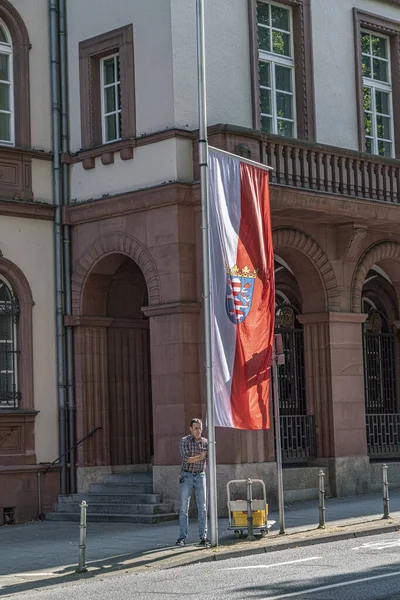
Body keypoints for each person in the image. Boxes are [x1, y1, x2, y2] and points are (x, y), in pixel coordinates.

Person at [176, 418, 210, 548]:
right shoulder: (185, 441)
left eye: (200, 428)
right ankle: (182, 537)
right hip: (187, 475)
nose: (198, 431)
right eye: (196, 428)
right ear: (190, 429)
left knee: (203, 508)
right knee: (184, 507)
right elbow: (186, 460)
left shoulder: (205, 442)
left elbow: (209, 456)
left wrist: (204, 457)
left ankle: (203, 537)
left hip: (200, 475)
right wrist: (200, 457)